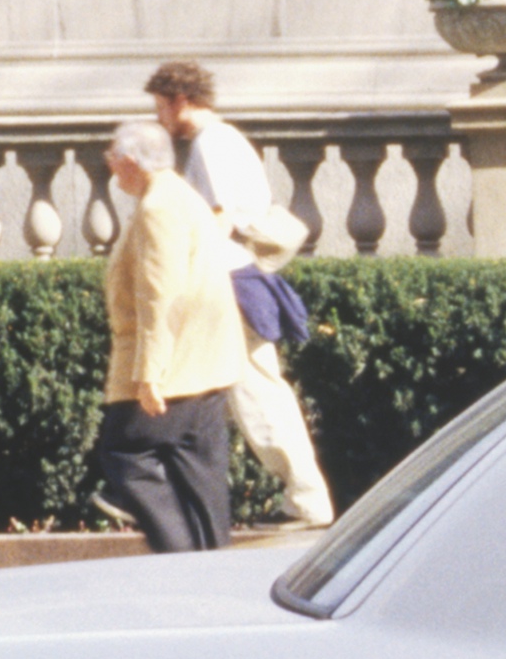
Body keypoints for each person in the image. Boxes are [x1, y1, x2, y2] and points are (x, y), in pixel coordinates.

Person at [144, 61, 331, 528]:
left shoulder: (211, 143)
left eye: (160, 106)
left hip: (226, 281)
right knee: (212, 390)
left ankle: (307, 500)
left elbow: (221, 219)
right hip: (232, 278)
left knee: (255, 396)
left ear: (180, 100)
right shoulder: (224, 140)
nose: (158, 117)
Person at [93, 119, 242, 553]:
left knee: (126, 453)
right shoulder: (180, 195)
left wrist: (150, 374)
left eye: (112, 157)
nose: (110, 166)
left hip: (176, 368)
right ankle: (211, 565)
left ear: (131, 160)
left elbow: (160, 295)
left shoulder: (158, 207)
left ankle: (179, 557)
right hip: (206, 363)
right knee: (198, 471)